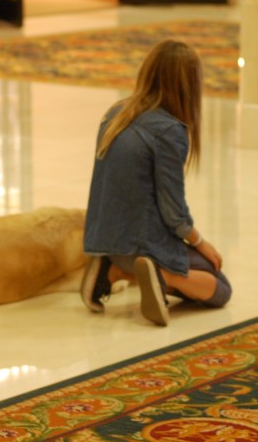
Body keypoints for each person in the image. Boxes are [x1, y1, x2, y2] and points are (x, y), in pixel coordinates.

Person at [79, 39, 232, 326]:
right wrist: (201, 243)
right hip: (143, 247)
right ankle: (161, 276)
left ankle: (113, 273)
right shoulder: (168, 131)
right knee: (220, 287)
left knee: (192, 278)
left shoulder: (116, 113)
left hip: (105, 241)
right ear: (189, 86)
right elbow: (172, 210)